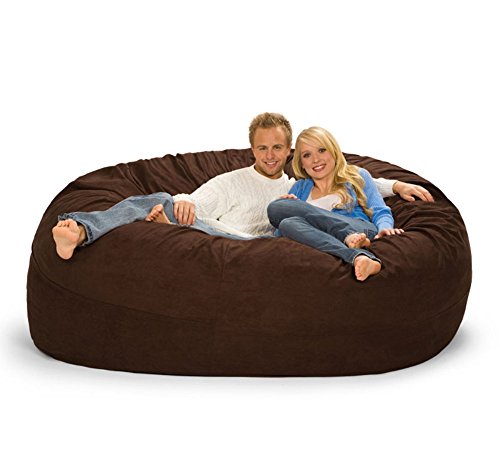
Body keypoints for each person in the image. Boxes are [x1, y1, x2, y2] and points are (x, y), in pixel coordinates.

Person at [52, 112, 433, 259]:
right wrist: (181, 199)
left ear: (288, 152)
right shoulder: (238, 181)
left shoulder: (296, 186)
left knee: (279, 215)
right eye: (262, 148)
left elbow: (347, 178)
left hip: (261, 245)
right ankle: (82, 229)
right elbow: (197, 200)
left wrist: (396, 186)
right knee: (162, 198)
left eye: (277, 148)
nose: (270, 155)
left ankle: (171, 230)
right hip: (224, 235)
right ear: (251, 149)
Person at [267, 126, 404, 281]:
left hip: (360, 230)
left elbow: (379, 209)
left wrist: (385, 227)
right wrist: (292, 206)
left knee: (278, 207)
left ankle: (348, 235)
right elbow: (283, 233)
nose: (315, 159)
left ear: (333, 151)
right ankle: (358, 256)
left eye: (322, 150)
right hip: (329, 239)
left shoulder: (356, 176)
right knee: (284, 220)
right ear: (301, 163)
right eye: (307, 155)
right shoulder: (300, 188)